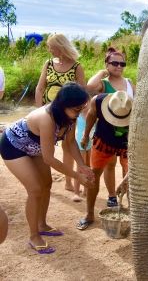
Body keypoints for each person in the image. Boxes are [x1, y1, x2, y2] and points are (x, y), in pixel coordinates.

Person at [0, 83, 94, 254]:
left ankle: (42, 224)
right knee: (35, 189)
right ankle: (33, 235)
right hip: (13, 146)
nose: (79, 112)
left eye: (82, 108)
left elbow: (70, 142)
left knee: (47, 184)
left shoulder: (70, 116)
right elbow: (49, 158)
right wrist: (75, 176)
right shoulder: (47, 118)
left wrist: (82, 165)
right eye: (76, 109)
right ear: (62, 105)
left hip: (35, 147)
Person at [35, 33, 86, 193]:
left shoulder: (77, 66)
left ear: (60, 47)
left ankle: (68, 180)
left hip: (68, 114)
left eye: (51, 47)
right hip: (47, 112)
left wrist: (79, 112)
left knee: (68, 145)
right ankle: (43, 178)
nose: (49, 50)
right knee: (42, 147)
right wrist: (39, 109)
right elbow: (40, 87)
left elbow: (82, 91)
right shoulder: (49, 63)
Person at [86, 47, 134, 207]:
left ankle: (128, 202)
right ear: (107, 64)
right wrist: (102, 73)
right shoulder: (103, 84)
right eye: (114, 63)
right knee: (109, 165)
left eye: (122, 63)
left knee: (129, 170)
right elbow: (90, 86)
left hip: (127, 135)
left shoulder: (129, 83)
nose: (119, 66)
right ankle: (112, 196)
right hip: (106, 135)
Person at [77, 91, 132, 230]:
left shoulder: (135, 107)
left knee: (133, 179)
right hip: (103, 142)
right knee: (93, 176)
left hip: (128, 144)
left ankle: (134, 215)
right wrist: (85, 136)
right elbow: (91, 115)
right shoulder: (98, 101)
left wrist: (127, 176)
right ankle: (89, 214)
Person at [72, 105, 94, 202]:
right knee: (80, 168)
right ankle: (76, 192)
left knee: (89, 166)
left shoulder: (93, 114)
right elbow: (72, 129)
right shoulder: (78, 114)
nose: (86, 104)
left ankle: (86, 190)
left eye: (88, 102)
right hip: (80, 142)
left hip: (91, 142)